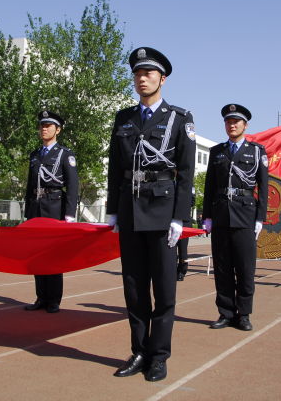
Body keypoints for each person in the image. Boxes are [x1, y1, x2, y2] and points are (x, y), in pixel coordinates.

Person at [106, 47, 195, 382]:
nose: (141, 79)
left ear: (162, 79)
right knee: (134, 287)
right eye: (137, 74)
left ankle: (159, 355)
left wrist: (178, 217)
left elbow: (185, 173)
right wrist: (113, 210)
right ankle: (139, 351)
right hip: (130, 211)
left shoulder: (180, 118)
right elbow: (115, 167)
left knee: (164, 289)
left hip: (161, 211)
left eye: (148, 73)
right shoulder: (123, 119)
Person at [202, 104, 268, 331]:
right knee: (222, 267)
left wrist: (260, 218)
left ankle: (244, 314)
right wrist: (207, 216)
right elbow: (210, 185)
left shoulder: (257, 151)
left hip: (245, 214)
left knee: (245, 267)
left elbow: (264, 187)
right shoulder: (216, 151)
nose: (232, 125)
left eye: (236, 121)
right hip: (221, 214)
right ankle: (226, 313)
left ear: (245, 125)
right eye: (228, 121)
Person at [23, 110, 79, 313]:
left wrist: (70, 214)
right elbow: (30, 185)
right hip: (36, 207)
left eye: (48, 126)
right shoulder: (35, 155)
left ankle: (54, 299)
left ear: (58, 129)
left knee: (53, 255)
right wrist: (27, 211)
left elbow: (73, 185)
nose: (44, 129)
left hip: (55, 206)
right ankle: (41, 297)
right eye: (41, 125)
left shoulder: (65, 154)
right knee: (38, 255)